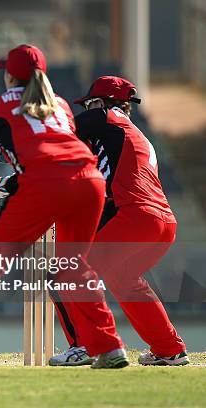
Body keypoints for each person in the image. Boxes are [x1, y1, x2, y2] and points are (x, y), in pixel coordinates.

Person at [0, 44, 128, 368]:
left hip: (45, 183)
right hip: (89, 182)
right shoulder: (61, 106)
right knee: (75, 267)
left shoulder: (3, 103)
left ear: (10, 75)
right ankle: (110, 347)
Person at [46, 76, 188, 366]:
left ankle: (86, 346)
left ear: (102, 103)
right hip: (161, 223)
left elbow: (61, 138)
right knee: (124, 281)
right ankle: (169, 349)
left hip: (134, 216)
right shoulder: (130, 135)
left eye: (90, 104)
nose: (87, 110)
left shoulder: (106, 116)